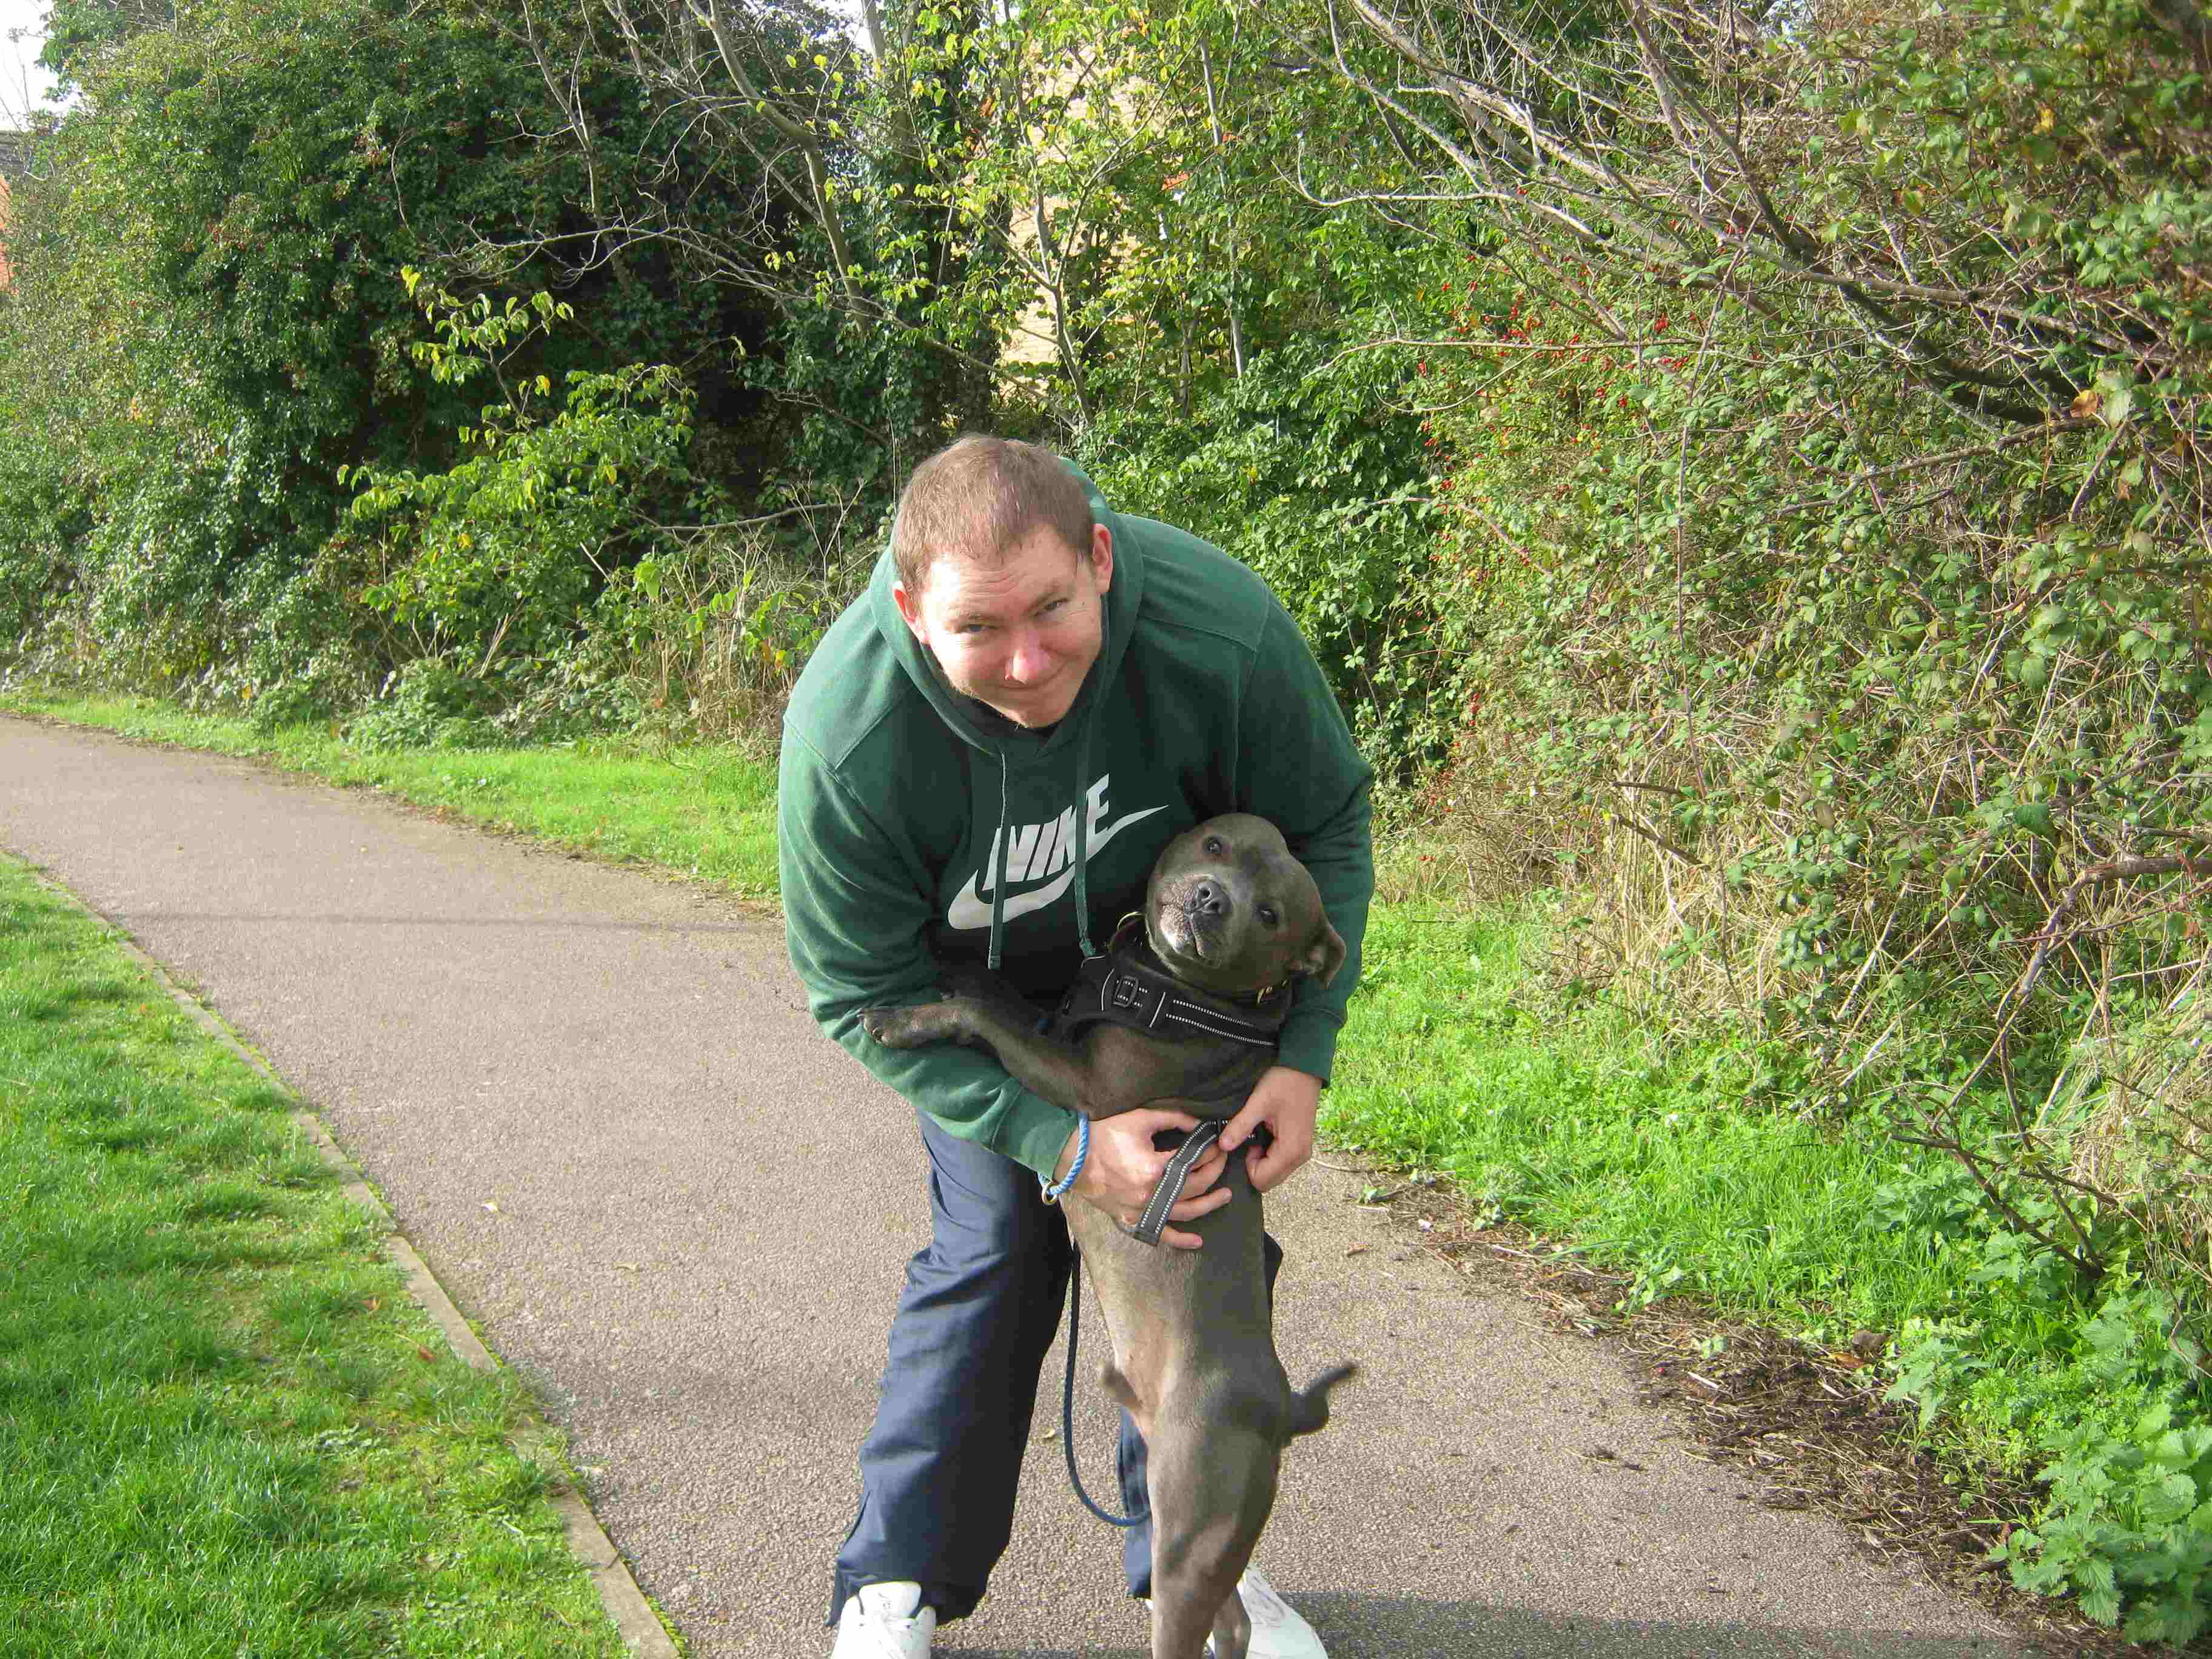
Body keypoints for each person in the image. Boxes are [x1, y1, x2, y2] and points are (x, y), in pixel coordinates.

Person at [779, 435, 1373, 1659]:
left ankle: (1193, 1573)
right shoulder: (852, 738)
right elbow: (856, 992)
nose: (1027, 659)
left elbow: (1325, 825)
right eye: (979, 629)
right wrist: (1055, 1140)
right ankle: (895, 1580)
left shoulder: (1217, 632)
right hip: (975, 989)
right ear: (911, 612)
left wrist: (1303, 1053)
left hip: (1176, 977)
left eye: (1053, 608)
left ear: (1100, 558)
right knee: (994, 1247)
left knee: (1206, 1236)